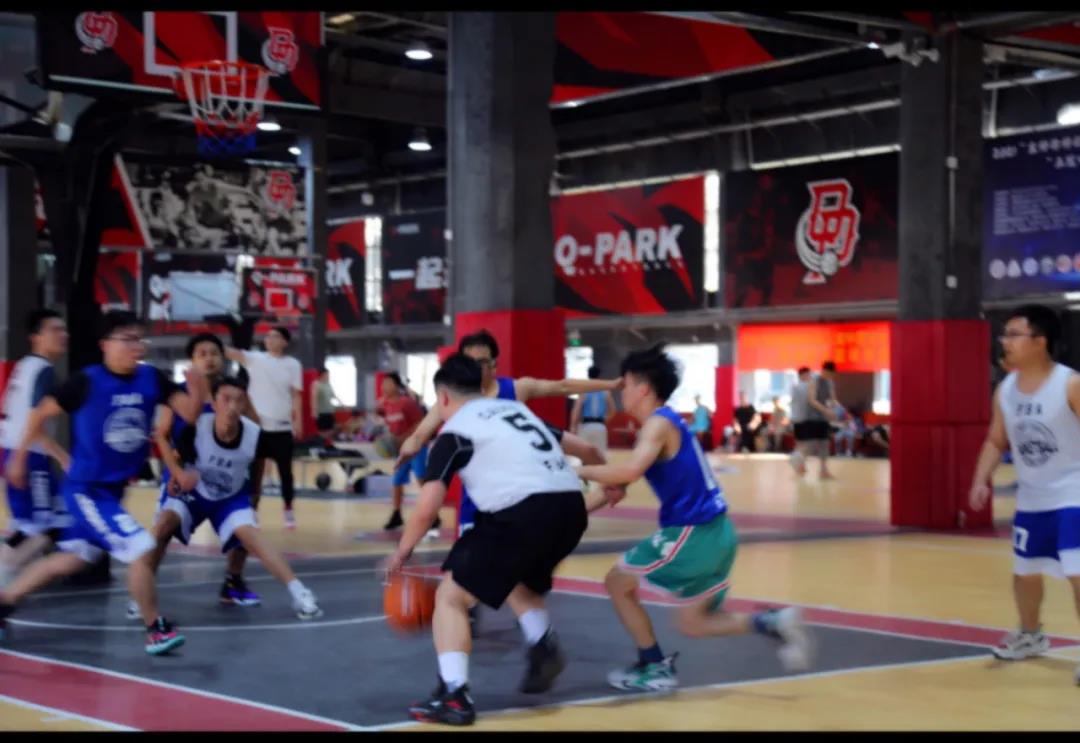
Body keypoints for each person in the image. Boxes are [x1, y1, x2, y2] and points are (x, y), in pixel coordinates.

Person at [384, 354, 623, 726]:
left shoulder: (454, 432)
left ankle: (454, 696)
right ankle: (542, 643)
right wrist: (613, 481)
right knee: (517, 576)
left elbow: (427, 508)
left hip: (522, 512)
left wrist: (401, 552)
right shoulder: (518, 413)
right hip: (570, 511)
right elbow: (588, 451)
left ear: (442, 398)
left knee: (450, 597)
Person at [576, 345, 814, 692]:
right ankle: (770, 622)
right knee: (693, 623)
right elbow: (618, 485)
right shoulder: (664, 424)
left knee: (617, 582)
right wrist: (567, 515)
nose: (620, 391)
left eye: (625, 384)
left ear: (643, 388)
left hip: (693, 532)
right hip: (718, 534)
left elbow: (627, 471)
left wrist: (576, 470)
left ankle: (654, 666)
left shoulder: (657, 424)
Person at [0, 311, 208, 654]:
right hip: (86, 490)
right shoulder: (86, 381)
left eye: (139, 339)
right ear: (105, 345)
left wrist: (198, 391)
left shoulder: (152, 378)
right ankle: (155, 628)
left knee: (72, 559)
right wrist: (20, 458)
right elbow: (38, 414)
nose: (135, 346)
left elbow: (188, 412)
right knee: (141, 547)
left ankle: (5, 602)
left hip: (113, 490)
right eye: (126, 339)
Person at [396, 330, 621, 537]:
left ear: (494, 363)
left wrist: (611, 385)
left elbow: (563, 386)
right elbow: (419, 435)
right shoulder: (452, 399)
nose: (476, 369)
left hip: (520, 496)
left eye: (482, 362)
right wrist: (408, 448)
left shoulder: (516, 389)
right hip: (476, 501)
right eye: (470, 362)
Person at [969, 304, 1080, 684]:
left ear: (1040, 341)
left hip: (1073, 493)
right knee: (1026, 573)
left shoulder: (1070, 384)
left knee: (1077, 571)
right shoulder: (1006, 390)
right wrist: (980, 479)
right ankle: (1031, 635)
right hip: (1033, 498)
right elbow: (996, 439)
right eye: (1005, 334)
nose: (1005, 341)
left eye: (1014, 334)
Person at [150, 377, 322, 621]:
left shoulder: (255, 435)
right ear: (214, 403)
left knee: (252, 535)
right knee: (164, 525)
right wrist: (177, 474)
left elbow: (260, 461)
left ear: (245, 405)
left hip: (230, 496)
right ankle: (141, 595)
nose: (232, 406)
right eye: (226, 399)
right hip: (194, 493)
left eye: (239, 401)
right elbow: (174, 452)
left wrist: (255, 493)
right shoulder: (197, 427)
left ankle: (300, 592)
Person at [144, 332, 263, 613]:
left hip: (225, 476)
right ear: (192, 360)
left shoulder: (235, 394)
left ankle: (233, 583)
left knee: (245, 530)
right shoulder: (178, 394)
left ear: (222, 358)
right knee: (164, 527)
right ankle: (143, 588)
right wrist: (175, 472)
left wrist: (255, 486)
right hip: (186, 476)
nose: (209, 359)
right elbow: (161, 436)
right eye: (202, 354)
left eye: (214, 353)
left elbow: (258, 437)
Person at [0, 310, 71, 585]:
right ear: (36, 337)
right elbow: (34, 419)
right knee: (43, 528)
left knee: (36, 524)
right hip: (28, 456)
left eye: (63, 329)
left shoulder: (23, 367)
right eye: (55, 330)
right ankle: (4, 586)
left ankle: (14, 581)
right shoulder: (43, 370)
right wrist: (61, 457)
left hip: (16, 452)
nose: (63, 335)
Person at [226, 326, 303, 530]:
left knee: (286, 473)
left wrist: (298, 420)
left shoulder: (293, 364)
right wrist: (211, 342)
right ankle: (252, 510)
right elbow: (232, 353)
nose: (269, 339)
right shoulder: (256, 359)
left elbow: (296, 395)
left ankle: (288, 509)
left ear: (285, 341)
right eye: (267, 336)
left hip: (282, 427)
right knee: (255, 472)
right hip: (257, 427)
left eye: (275, 336)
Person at [379, 372, 439, 537]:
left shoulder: (407, 403)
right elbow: (388, 423)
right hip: (401, 449)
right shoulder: (385, 404)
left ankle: (433, 516)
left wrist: (404, 437)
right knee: (396, 481)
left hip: (416, 447)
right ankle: (397, 514)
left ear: (396, 386)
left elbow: (420, 423)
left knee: (421, 479)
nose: (384, 386)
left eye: (388, 383)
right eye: (383, 383)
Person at [804, 362, 839, 479]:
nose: (831, 376)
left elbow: (833, 400)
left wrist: (840, 411)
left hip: (824, 418)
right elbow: (811, 400)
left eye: (832, 375)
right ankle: (799, 462)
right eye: (830, 374)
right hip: (812, 417)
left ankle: (823, 471)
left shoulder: (830, 383)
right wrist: (825, 410)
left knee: (824, 444)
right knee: (811, 445)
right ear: (824, 371)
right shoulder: (814, 381)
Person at [570, 366, 616, 455]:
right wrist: (604, 420)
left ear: (588, 376)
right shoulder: (605, 391)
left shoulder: (584, 391)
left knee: (584, 454)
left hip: (586, 426)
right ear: (599, 376)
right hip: (600, 426)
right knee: (600, 455)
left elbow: (576, 410)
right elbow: (613, 410)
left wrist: (573, 426)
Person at [789, 367, 813, 475]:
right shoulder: (806, 387)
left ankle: (801, 466)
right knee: (805, 445)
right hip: (804, 419)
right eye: (808, 374)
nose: (810, 377)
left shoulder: (794, 387)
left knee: (800, 443)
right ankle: (795, 459)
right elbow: (810, 402)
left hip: (796, 419)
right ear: (803, 375)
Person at [311, 367, 340, 442]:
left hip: (329, 411)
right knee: (322, 430)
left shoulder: (328, 384)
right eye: (327, 374)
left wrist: (341, 403)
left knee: (331, 429)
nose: (328, 376)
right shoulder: (316, 384)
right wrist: (314, 411)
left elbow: (333, 395)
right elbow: (314, 398)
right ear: (322, 374)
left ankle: (326, 442)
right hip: (321, 411)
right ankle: (322, 443)